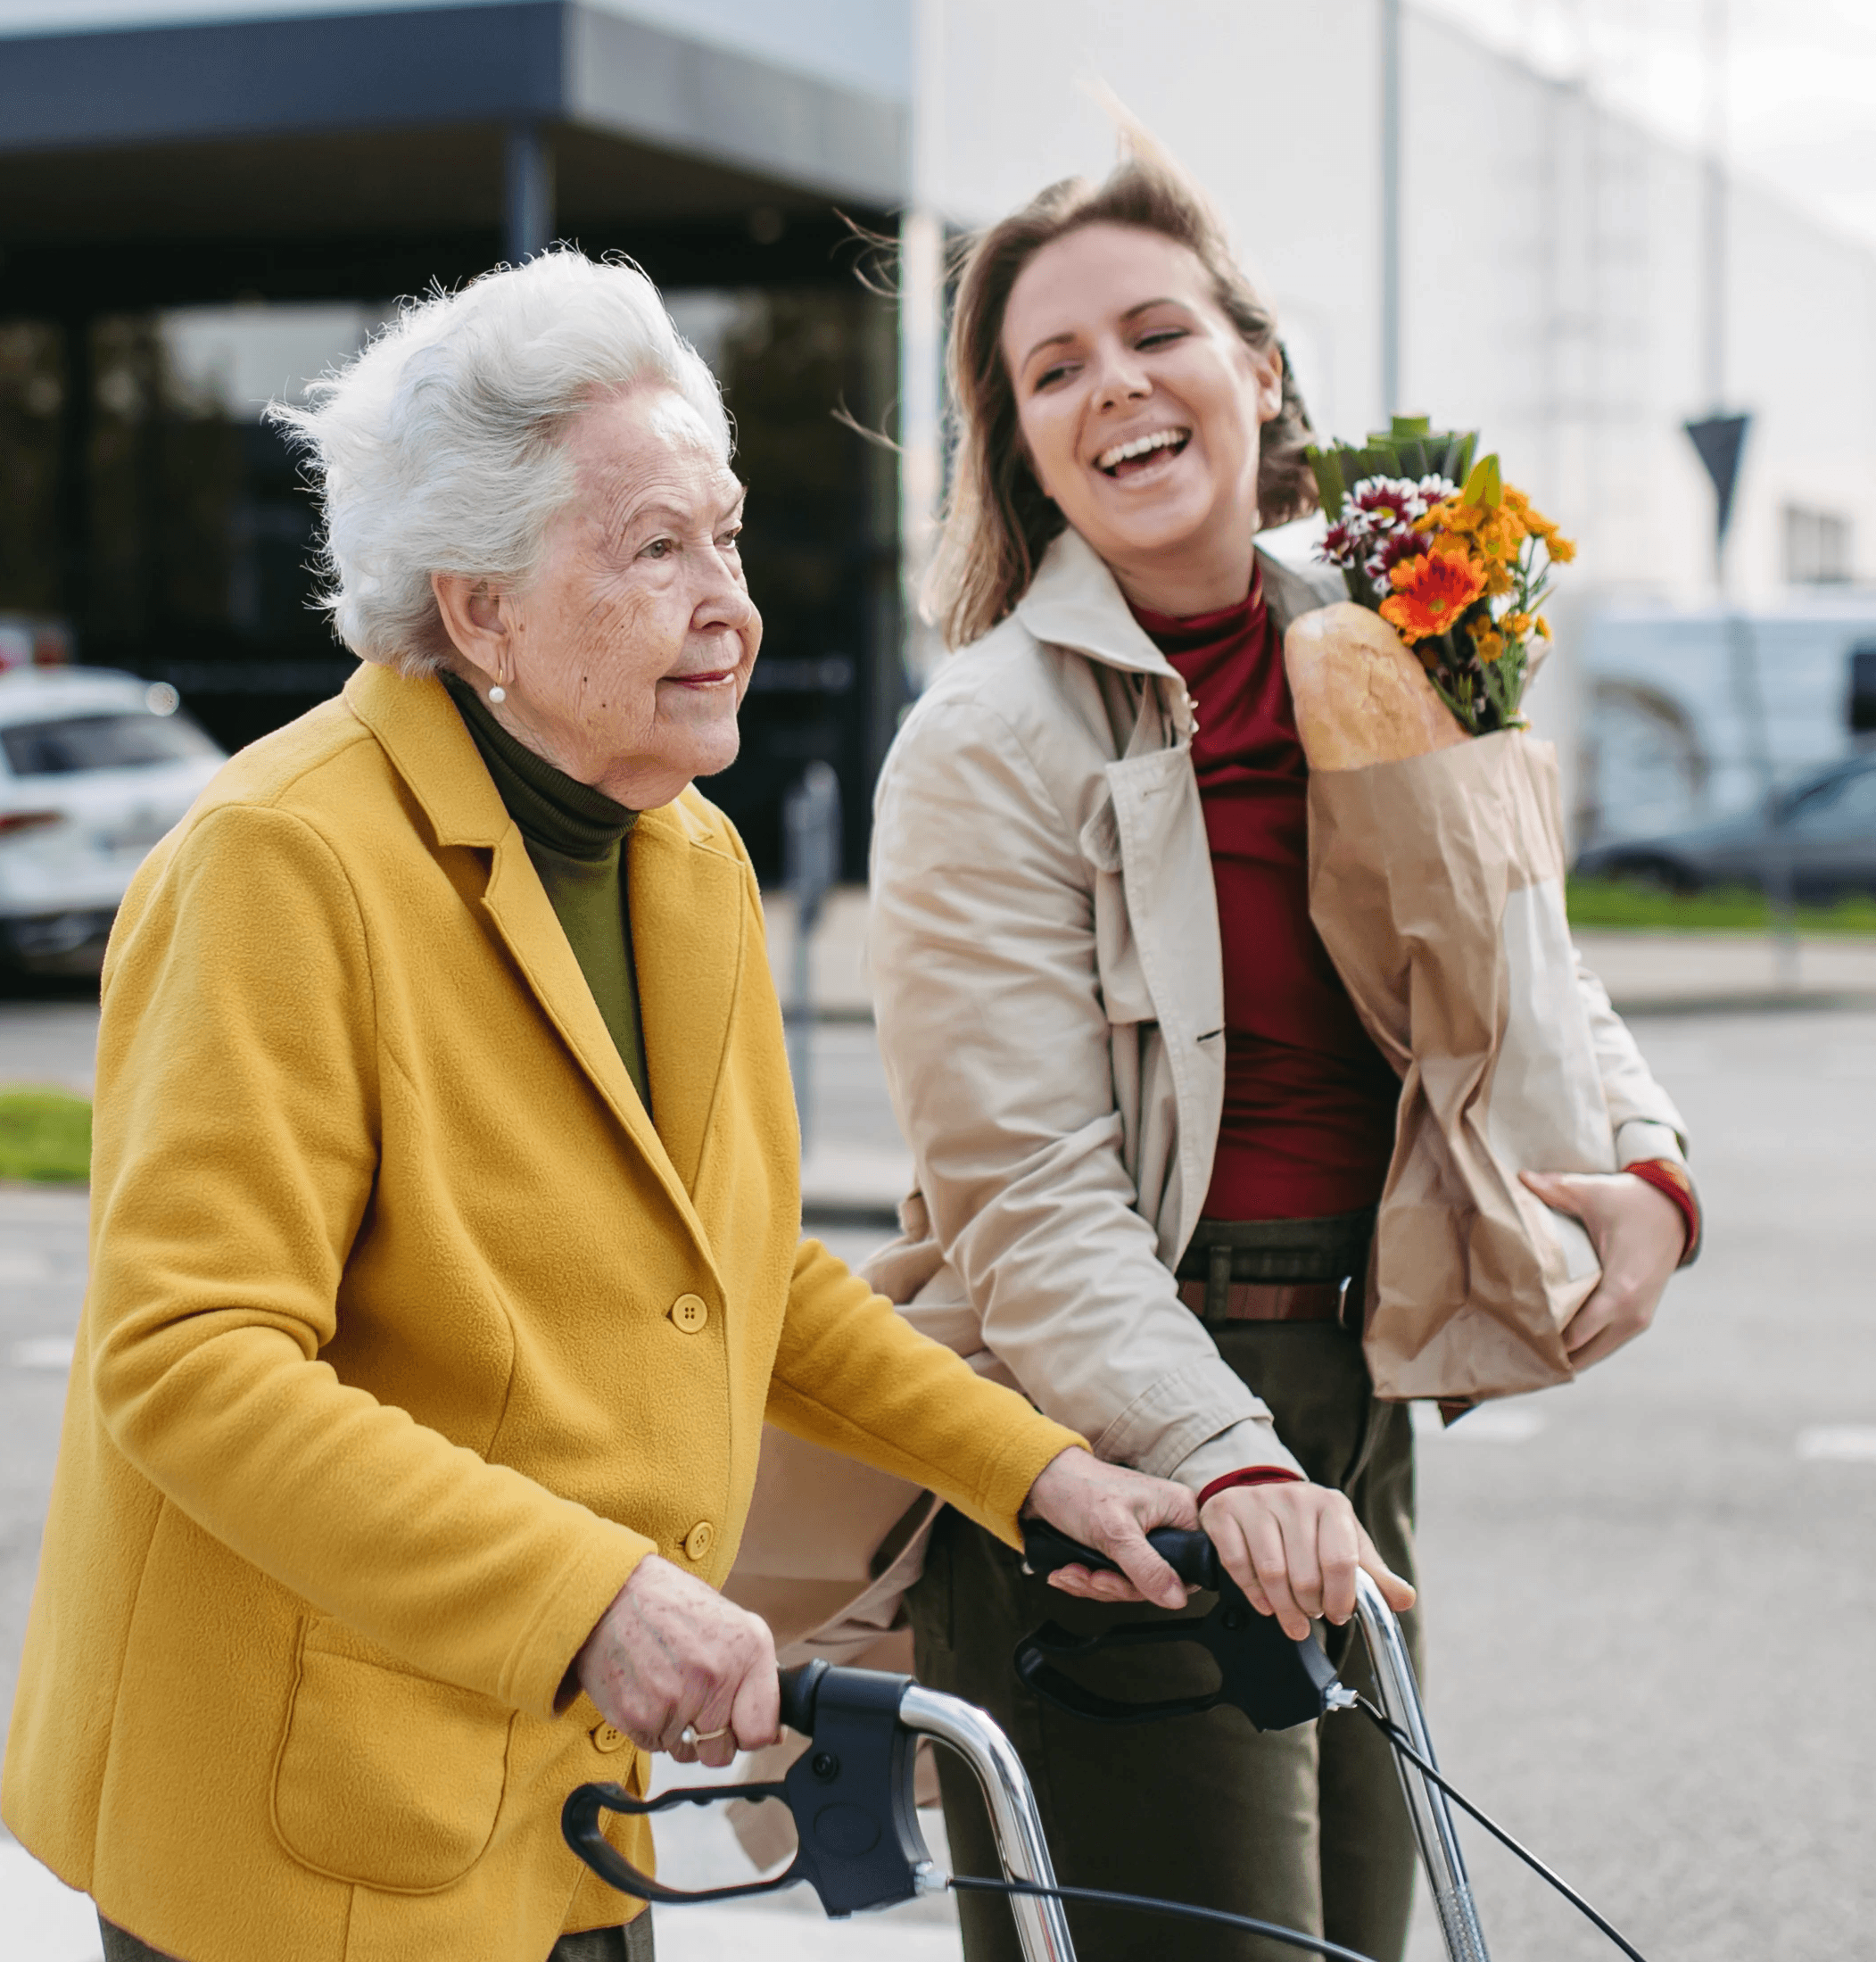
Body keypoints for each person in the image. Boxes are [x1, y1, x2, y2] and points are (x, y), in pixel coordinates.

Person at [0, 251, 1207, 1962]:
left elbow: (741, 1276)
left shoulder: (683, 852)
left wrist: (1041, 1474)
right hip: (318, 1827)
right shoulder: (282, 863)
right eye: (655, 549)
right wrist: (590, 1595)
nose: (730, 603)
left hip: (564, 1800)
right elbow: (187, 1363)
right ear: (476, 606)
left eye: (724, 536)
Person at [865, 141, 1701, 1962]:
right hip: (1119, 1436)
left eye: (1153, 330)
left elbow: (1521, 946)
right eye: (1052, 369)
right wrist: (1223, 1453)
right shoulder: (983, 746)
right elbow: (1024, 1200)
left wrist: (1648, 1162)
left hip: (1358, 1387)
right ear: (1019, 444)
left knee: (1355, 1939)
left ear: (1255, 366)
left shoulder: (1394, 641)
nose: (1113, 386)